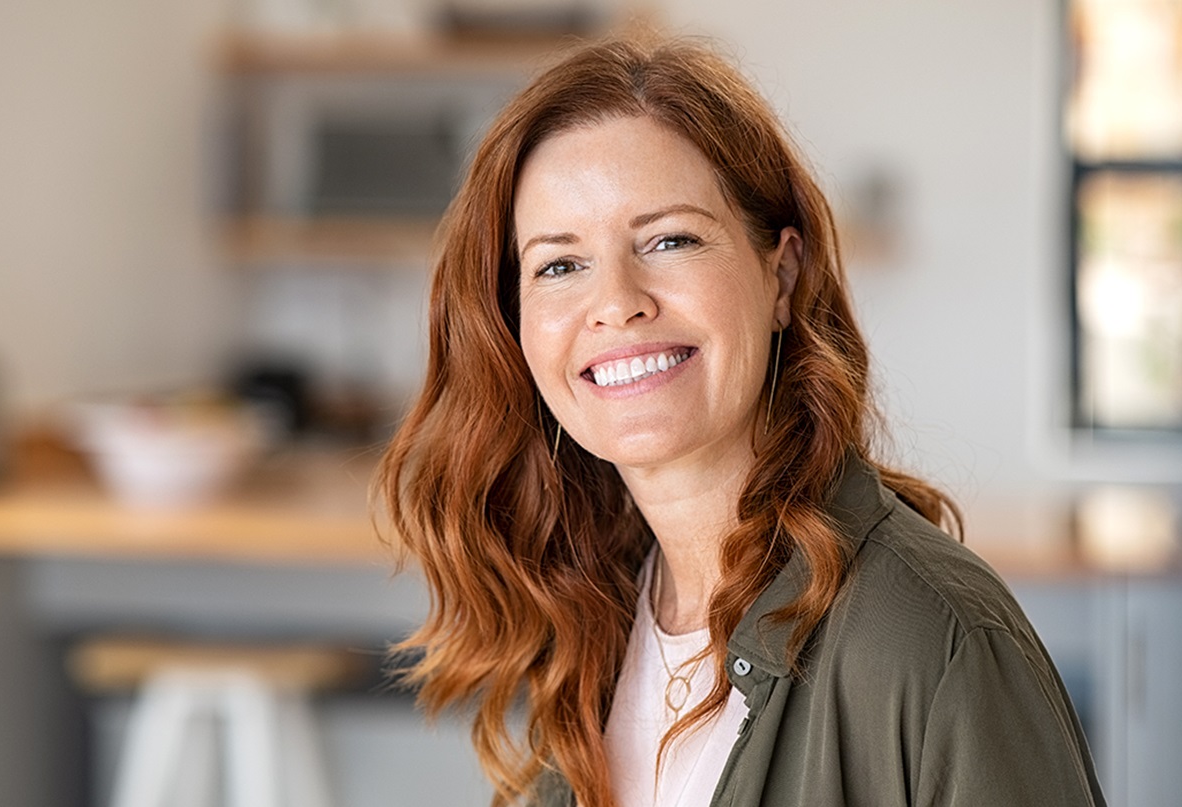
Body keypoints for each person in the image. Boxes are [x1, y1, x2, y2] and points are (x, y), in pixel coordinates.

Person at [378, 35, 1105, 807]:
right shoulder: (589, 619)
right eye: (560, 264)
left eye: (670, 240)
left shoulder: (933, 641)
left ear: (781, 274)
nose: (617, 302)